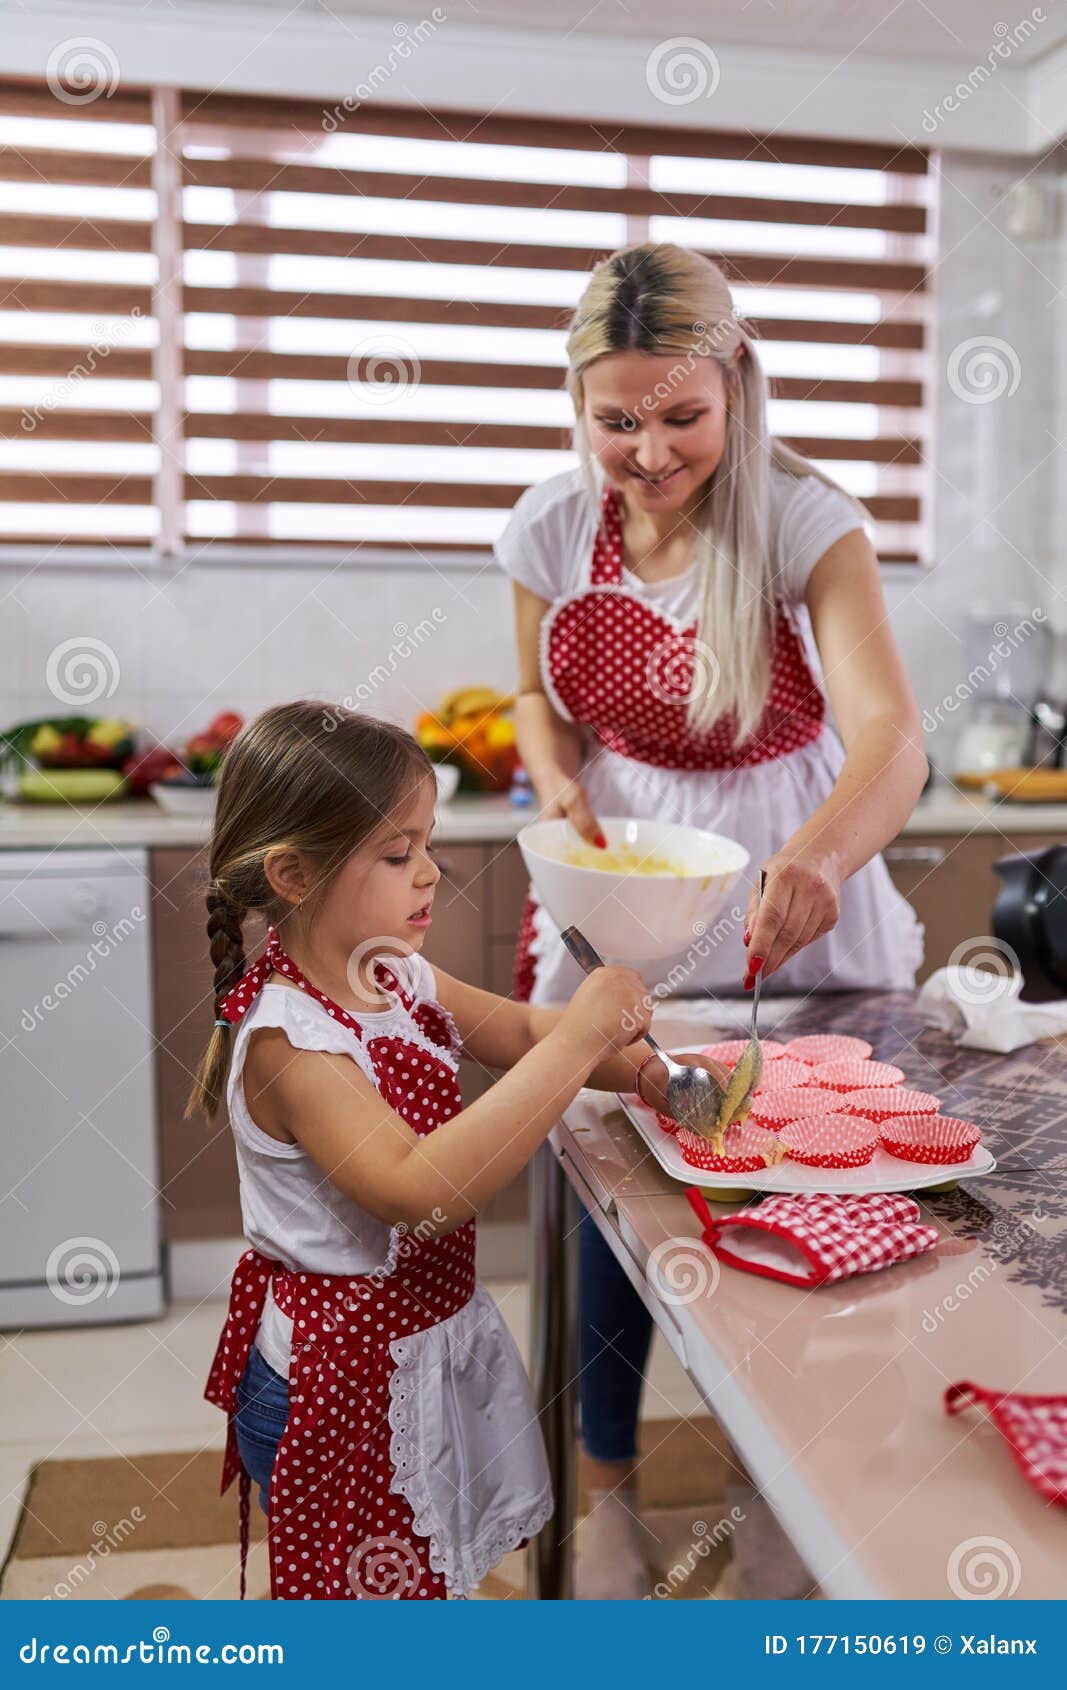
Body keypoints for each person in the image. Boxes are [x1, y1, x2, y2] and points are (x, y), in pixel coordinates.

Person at [495, 241, 928, 1597]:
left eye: (677, 415)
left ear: (734, 387)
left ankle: (773, 1503)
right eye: (613, 418)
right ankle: (607, 1505)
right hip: (618, 885)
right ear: (576, 404)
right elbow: (528, 698)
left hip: (783, 910)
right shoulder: (549, 527)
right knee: (616, 1212)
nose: (645, 450)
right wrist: (555, 771)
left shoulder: (804, 519)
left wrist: (816, 854)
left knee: (790, 1197)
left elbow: (891, 738)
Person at [187, 699, 726, 1600]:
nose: (430, 874)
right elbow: (420, 1191)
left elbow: (516, 1028)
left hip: (415, 1359)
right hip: (338, 1392)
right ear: (291, 873)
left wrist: (637, 1072)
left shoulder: (389, 968)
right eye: (398, 856)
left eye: (428, 846)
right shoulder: (289, 1042)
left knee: (420, 1590)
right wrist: (578, 1038)